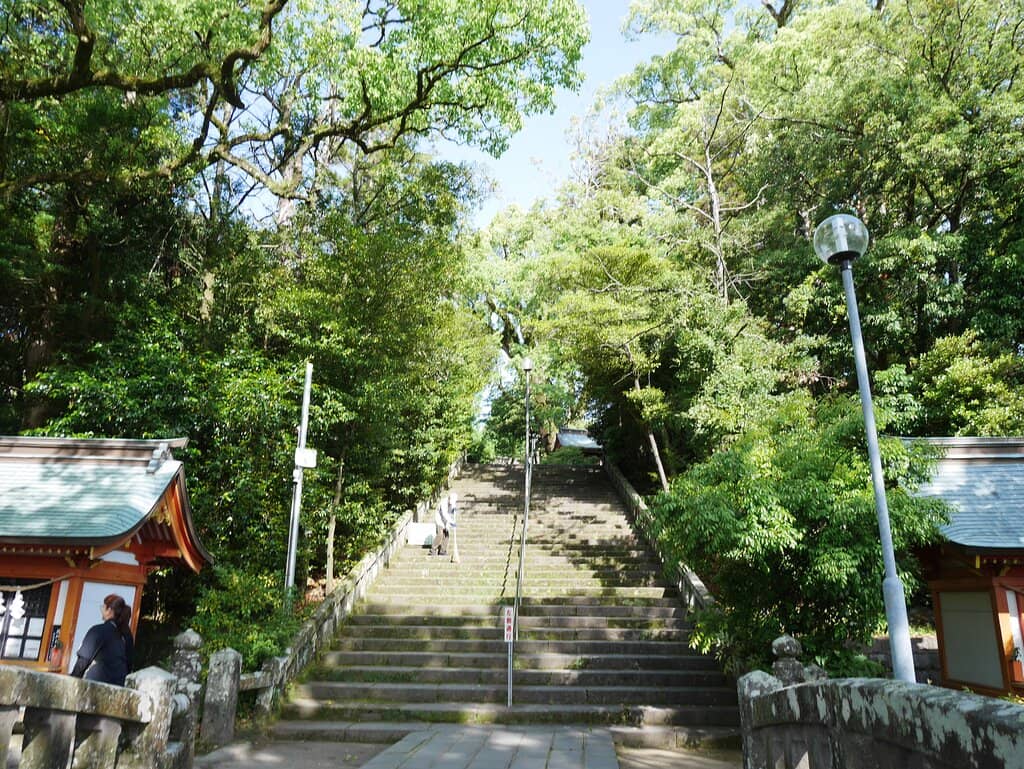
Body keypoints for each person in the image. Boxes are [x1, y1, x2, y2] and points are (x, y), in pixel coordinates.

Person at [70, 593, 134, 686]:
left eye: (103, 607)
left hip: (97, 685)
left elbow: (83, 661)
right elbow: (129, 664)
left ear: (109, 610)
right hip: (119, 688)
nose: (102, 610)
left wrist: (72, 681)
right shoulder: (127, 635)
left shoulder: (98, 631)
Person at [447, 491, 460, 563]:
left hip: (447, 520)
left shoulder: (453, 504)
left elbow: (452, 512)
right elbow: (445, 514)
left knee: (446, 534)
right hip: (442, 520)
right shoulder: (444, 502)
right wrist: (451, 522)